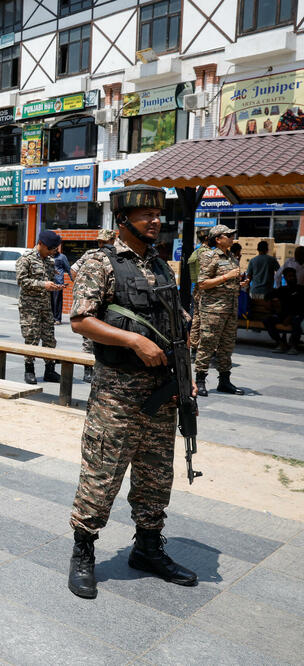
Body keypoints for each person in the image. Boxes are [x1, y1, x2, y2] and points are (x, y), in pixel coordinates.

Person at [66, 184, 197, 600]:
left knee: (156, 475)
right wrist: (134, 342)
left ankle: (147, 546)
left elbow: (176, 325)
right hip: (117, 396)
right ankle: (84, 550)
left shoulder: (161, 265)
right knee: (102, 473)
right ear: (123, 221)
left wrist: (186, 374)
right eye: (146, 216)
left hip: (162, 393)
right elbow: (81, 320)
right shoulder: (99, 263)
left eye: (158, 215)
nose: (155, 221)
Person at [195, 225, 249, 396]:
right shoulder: (209, 256)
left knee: (227, 346)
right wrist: (228, 276)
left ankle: (224, 381)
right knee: (207, 344)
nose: (232, 237)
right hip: (213, 310)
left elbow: (225, 281)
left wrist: (239, 283)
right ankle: (200, 380)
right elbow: (202, 283)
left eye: (232, 235)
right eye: (228, 235)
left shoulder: (231, 256)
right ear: (217, 239)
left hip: (230, 309)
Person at [16, 230, 63, 384]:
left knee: (49, 337)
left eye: (54, 249)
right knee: (31, 337)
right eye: (50, 248)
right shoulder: (25, 259)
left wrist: (55, 286)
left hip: (45, 305)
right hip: (29, 306)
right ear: (40, 244)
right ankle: (29, 370)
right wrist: (43, 284)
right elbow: (22, 281)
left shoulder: (49, 261)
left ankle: (50, 369)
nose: (52, 252)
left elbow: (48, 280)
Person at [70, 228, 116, 381]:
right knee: (88, 339)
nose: (101, 244)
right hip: (92, 301)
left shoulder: (117, 256)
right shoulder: (90, 254)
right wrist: (82, 286)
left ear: (112, 241)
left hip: (109, 305)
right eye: (99, 241)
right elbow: (73, 269)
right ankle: (87, 369)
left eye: (105, 241)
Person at [186, 228, 213, 359]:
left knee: (196, 318)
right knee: (205, 320)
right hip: (206, 290)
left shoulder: (196, 252)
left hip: (197, 288)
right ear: (207, 238)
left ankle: (194, 348)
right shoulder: (207, 253)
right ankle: (205, 350)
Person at [265, 268, 303, 354]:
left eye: (293, 276)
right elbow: (268, 295)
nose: (292, 278)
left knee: (296, 322)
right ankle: (281, 343)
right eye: (289, 276)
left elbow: (300, 307)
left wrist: (290, 316)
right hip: (283, 316)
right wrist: (269, 301)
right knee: (267, 320)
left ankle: (294, 345)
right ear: (285, 278)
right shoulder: (282, 289)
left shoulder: (300, 289)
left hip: (296, 315)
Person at [52, 244, 72, 324]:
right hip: (49, 281)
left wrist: (73, 279)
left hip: (58, 282)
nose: (55, 249)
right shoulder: (48, 256)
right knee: (50, 301)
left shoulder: (62, 257)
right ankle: (51, 318)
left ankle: (57, 319)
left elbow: (68, 268)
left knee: (57, 301)